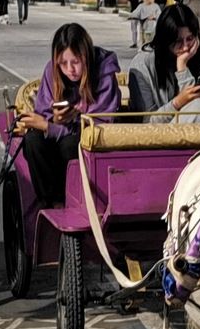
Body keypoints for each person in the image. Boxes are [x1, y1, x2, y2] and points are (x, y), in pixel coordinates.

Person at [14, 23, 121, 207]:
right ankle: (51, 203)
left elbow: (102, 122)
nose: (70, 70)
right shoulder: (52, 71)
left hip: (91, 137)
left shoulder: (104, 71)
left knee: (70, 145)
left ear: (86, 56)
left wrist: (52, 127)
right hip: (60, 135)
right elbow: (42, 112)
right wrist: (54, 120)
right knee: (32, 141)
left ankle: (76, 200)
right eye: (63, 63)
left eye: (76, 62)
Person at [128, 4, 200, 124]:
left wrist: (182, 69)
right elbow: (146, 121)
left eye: (190, 39)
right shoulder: (141, 65)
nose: (185, 47)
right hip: (156, 135)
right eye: (178, 41)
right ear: (165, 41)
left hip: (195, 133)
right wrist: (177, 103)